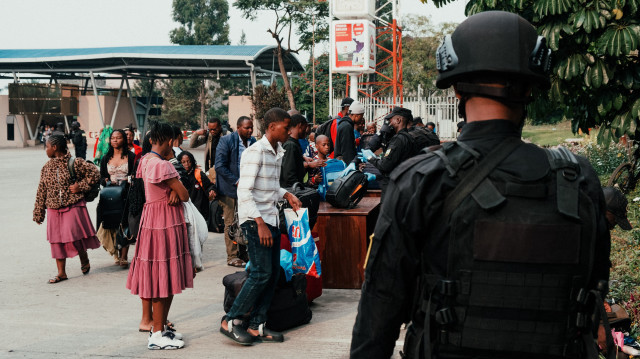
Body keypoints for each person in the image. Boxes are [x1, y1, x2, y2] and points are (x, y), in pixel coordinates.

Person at [351, 11, 611, 359]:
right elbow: (593, 292)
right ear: (531, 89)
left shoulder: (419, 180)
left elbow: (378, 316)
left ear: (456, 87)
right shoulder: (579, 179)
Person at [220, 107, 302, 346]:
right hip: (256, 221)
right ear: (271, 127)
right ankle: (231, 320)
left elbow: (268, 188)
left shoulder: (277, 150)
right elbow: (244, 191)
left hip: (271, 218)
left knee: (273, 274)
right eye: (286, 127)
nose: (289, 131)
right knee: (260, 273)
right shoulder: (255, 152)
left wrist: (286, 194)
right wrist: (259, 223)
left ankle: (257, 325)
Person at [126, 121, 193, 350]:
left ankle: (161, 329)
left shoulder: (144, 161)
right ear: (167, 140)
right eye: (173, 142)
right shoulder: (163, 165)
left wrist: (171, 191)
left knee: (159, 274)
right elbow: (184, 194)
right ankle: (157, 334)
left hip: (151, 221)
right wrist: (175, 191)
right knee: (164, 276)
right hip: (165, 222)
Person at [33, 134, 101, 283]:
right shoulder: (46, 167)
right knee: (56, 241)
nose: (46, 150)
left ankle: (84, 258)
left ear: (55, 147)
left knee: (74, 236)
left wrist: (80, 186)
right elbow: (41, 191)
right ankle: (61, 273)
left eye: (47, 147)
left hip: (73, 205)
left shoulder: (75, 162)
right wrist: (39, 213)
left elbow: (95, 173)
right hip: (53, 208)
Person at [215, 116, 256, 267]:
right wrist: (237, 181)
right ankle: (232, 256)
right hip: (230, 189)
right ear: (238, 127)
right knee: (231, 223)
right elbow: (219, 166)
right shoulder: (226, 141)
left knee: (246, 222)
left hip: (248, 190)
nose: (250, 130)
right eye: (247, 128)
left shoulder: (253, 142)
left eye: (251, 127)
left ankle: (244, 254)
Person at [96, 129, 136, 268]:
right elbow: (100, 177)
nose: (115, 140)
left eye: (118, 138)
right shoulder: (106, 158)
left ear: (124, 140)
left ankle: (124, 256)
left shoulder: (131, 157)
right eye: (113, 138)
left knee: (124, 224)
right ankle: (115, 253)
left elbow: (135, 175)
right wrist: (106, 179)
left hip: (126, 196)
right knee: (110, 223)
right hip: (110, 196)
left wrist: (128, 179)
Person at [361, 107, 416, 199]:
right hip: (404, 185)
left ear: (398, 120)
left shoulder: (398, 139)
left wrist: (370, 158)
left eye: (391, 120)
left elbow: (385, 165)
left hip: (394, 187)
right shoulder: (409, 138)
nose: (389, 123)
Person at [178, 151, 216, 222]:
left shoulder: (198, 174)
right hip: (184, 212)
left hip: (199, 212)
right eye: (183, 162)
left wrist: (211, 190)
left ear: (192, 161)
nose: (186, 164)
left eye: (188, 161)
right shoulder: (177, 176)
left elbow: (209, 186)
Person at [189, 117, 223, 182]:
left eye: (214, 129)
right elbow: (192, 145)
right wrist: (196, 133)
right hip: (210, 169)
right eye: (210, 129)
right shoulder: (208, 135)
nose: (212, 131)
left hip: (223, 169)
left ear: (220, 126)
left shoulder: (227, 135)